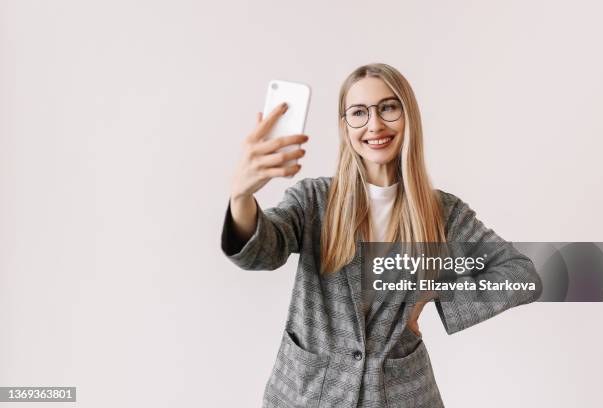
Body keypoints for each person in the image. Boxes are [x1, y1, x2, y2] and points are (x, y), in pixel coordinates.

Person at [221, 63, 542, 408]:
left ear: (408, 116)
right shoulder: (313, 199)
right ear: (345, 127)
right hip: (307, 394)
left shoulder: (444, 212)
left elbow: (523, 275)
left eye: (388, 107)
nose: (374, 124)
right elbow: (262, 250)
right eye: (359, 112)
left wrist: (438, 290)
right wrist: (241, 197)